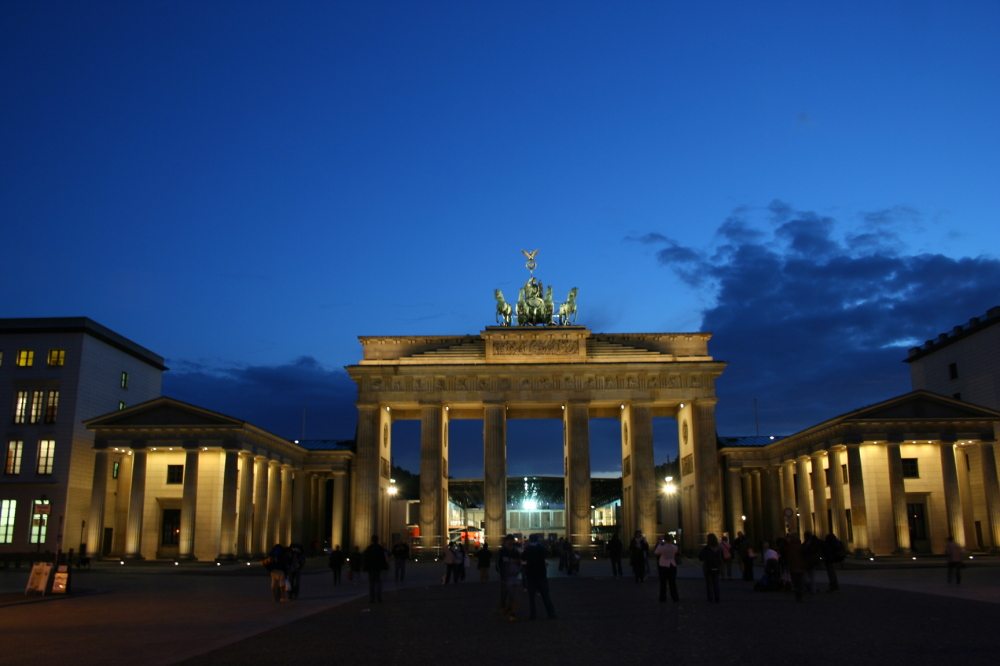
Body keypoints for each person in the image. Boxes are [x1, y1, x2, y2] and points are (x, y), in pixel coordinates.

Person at [521, 534, 556, 620]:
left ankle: (533, 614)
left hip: (531, 573)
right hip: (541, 573)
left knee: (531, 597)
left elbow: (523, 558)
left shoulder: (528, 549)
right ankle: (551, 613)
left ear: (530, 540)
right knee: (545, 595)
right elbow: (546, 555)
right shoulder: (541, 548)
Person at [496, 535, 522, 621]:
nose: (510, 542)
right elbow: (498, 563)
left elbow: (519, 562)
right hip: (505, 574)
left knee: (510, 593)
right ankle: (504, 607)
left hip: (511, 574)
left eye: (511, 540)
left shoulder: (513, 551)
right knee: (504, 592)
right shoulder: (503, 551)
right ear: (506, 541)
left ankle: (509, 608)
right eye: (509, 540)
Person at [654, 533, 680, 602]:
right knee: (672, 583)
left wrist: (659, 544)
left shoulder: (662, 547)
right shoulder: (675, 547)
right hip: (672, 565)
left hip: (663, 565)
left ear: (665, 540)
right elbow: (676, 552)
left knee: (663, 583)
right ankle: (675, 597)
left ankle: (662, 598)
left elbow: (656, 552)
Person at [362, 535, 388, 603]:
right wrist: (385, 567)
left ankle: (372, 599)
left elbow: (366, 559)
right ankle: (379, 598)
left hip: (371, 569)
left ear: (372, 540)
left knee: (372, 584)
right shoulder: (380, 548)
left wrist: (365, 568)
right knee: (379, 583)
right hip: (378, 568)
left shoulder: (369, 548)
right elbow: (383, 559)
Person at [698, 533, 722, 603]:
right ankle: (717, 598)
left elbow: (701, 557)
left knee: (709, 584)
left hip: (708, 567)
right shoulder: (718, 548)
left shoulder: (706, 548)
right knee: (716, 583)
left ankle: (710, 599)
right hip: (716, 567)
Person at [784, 534, 807, 602]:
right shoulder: (801, 547)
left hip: (793, 568)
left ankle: (797, 596)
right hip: (801, 567)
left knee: (796, 583)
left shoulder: (790, 548)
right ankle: (800, 597)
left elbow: (788, 557)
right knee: (800, 583)